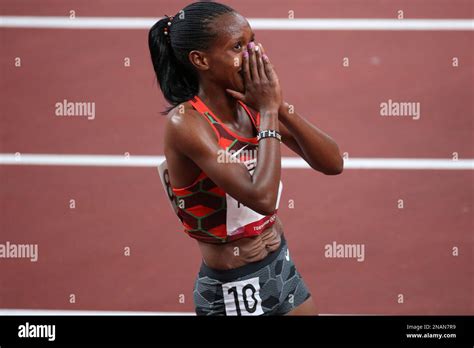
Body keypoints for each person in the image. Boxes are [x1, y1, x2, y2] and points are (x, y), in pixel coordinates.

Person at [148, 1, 343, 316]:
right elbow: (262, 198)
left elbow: (333, 163)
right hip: (232, 286)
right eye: (238, 46)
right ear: (201, 60)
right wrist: (267, 111)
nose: (253, 54)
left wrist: (278, 108)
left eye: (253, 41)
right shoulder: (187, 123)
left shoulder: (251, 105)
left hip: (279, 263)